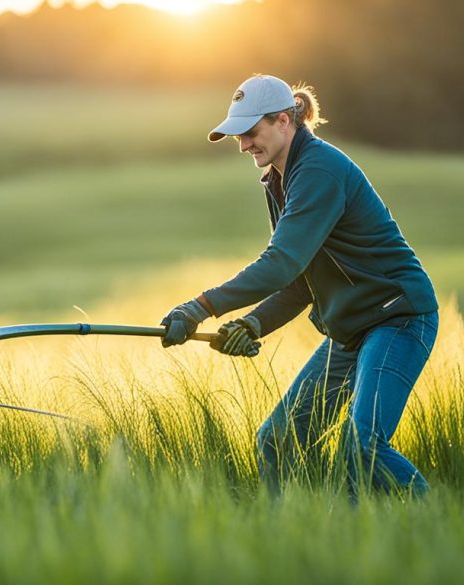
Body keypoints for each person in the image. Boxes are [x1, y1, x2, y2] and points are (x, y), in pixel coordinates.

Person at [160, 74, 439, 497]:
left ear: (284, 122)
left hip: (398, 318)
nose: (243, 145)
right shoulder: (279, 177)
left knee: (363, 447)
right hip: (351, 330)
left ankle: (435, 521)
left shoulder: (319, 170)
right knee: (278, 441)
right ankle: (303, 539)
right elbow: (299, 281)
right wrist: (253, 324)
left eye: (251, 133)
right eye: (238, 136)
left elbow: (281, 265)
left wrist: (199, 307)